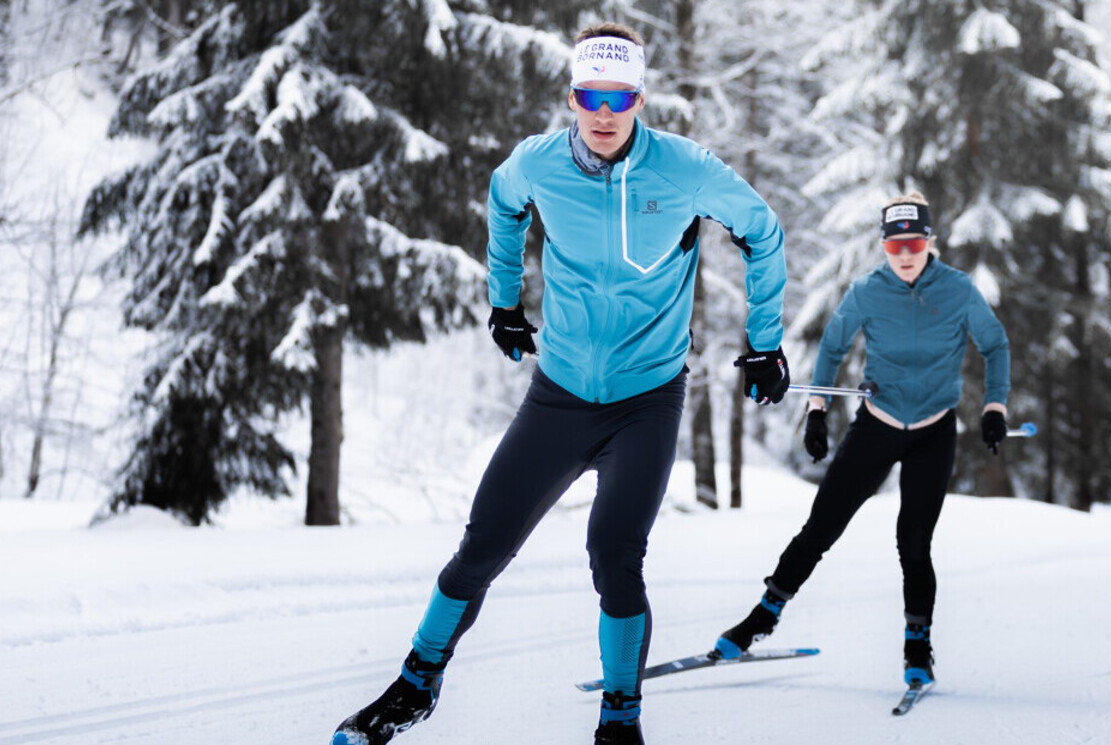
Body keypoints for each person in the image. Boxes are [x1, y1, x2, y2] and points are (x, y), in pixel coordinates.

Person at [333, 23, 791, 745]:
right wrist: (504, 298)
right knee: (483, 543)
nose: (603, 111)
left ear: (639, 97)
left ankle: (621, 717)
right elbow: (503, 201)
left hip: (646, 399)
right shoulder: (539, 164)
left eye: (619, 96)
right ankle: (416, 682)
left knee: (614, 552)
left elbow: (763, 232)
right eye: (589, 95)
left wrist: (765, 343)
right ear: (572, 96)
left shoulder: (685, 170)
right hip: (560, 394)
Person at [709, 192, 1010, 691]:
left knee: (914, 543)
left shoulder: (959, 291)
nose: (906, 254)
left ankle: (918, 648)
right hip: (878, 423)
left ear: (930, 242)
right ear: (884, 247)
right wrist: (816, 412)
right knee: (821, 527)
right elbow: (833, 346)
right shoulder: (868, 292)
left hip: (933, 431)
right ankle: (763, 616)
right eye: (895, 246)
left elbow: (995, 344)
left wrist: (994, 406)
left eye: (914, 243)